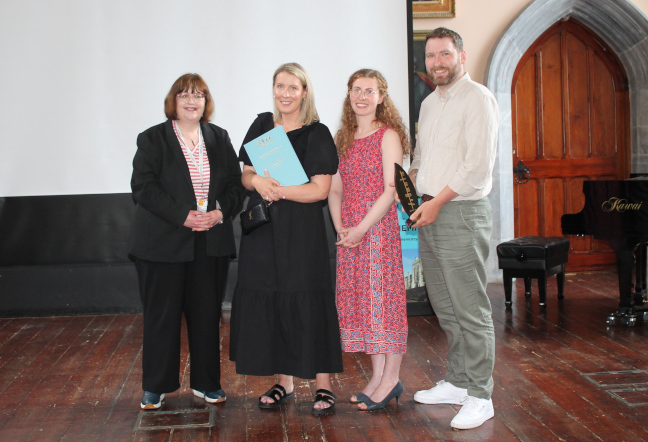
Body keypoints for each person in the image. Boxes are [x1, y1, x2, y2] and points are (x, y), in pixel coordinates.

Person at [229, 63, 343, 415]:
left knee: (308, 300)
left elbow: (319, 190)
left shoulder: (317, 133)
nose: (285, 93)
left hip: (301, 232)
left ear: (304, 92)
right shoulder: (263, 125)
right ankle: (285, 382)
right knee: (273, 299)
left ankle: (323, 386)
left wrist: (278, 190)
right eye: (280, 86)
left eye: (293, 87)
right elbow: (246, 174)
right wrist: (257, 182)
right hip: (263, 232)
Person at [129, 73, 245, 410]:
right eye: (184, 95)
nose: (192, 101)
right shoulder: (152, 138)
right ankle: (156, 386)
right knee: (161, 317)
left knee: (207, 316)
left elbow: (235, 185)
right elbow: (143, 187)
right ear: (173, 101)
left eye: (198, 95)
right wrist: (182, 215)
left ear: (206, 102)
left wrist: (220, 213)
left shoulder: (219, 137)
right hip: (162, 244)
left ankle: (207, 384)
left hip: (210, 242)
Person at [407, 28, 498, 430]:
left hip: (459, 212)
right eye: (431, 56)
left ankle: (481, 395)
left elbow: (476, 167)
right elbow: (422, 158)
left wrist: (436, 203)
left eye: (445, 54)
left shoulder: (478, 98)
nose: (437, 62)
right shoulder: (429, 104)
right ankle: (460, 382)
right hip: (428, 211)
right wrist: (409, 184)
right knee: (446, 306)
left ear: (461, 55)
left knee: (470, 308)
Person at [328, 69, 410, 411]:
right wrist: (341, 227)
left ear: (381, 97)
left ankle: (392, 379)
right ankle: (377, 378)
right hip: (350, 232)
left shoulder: (388, 135)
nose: (361, 96)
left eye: (369, 91)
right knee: (365, 305)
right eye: (356, 90)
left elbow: (391, 190)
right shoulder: (342, 137)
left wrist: (361, 228)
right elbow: (335, 188)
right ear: (349, 95)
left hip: (377, 230)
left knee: (384, 303)